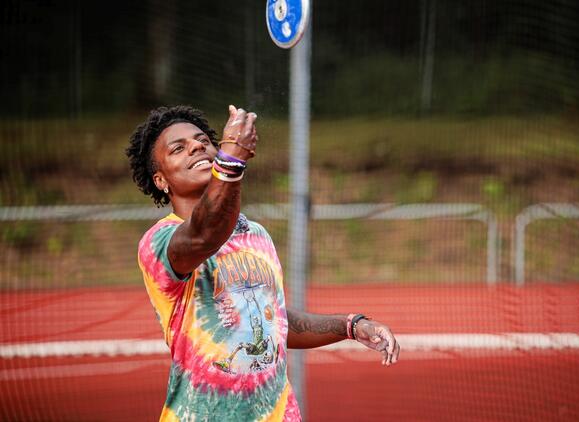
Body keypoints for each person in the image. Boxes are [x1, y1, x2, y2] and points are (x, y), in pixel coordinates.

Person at [126, 105, 400, 421]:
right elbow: (204, 235)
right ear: (161, 180)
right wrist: (232, 159)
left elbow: (273, 322)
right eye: (178, 148)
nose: (196, 147)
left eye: (203, 141)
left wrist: (351, 325)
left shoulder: (255, 234)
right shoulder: (159, 241)